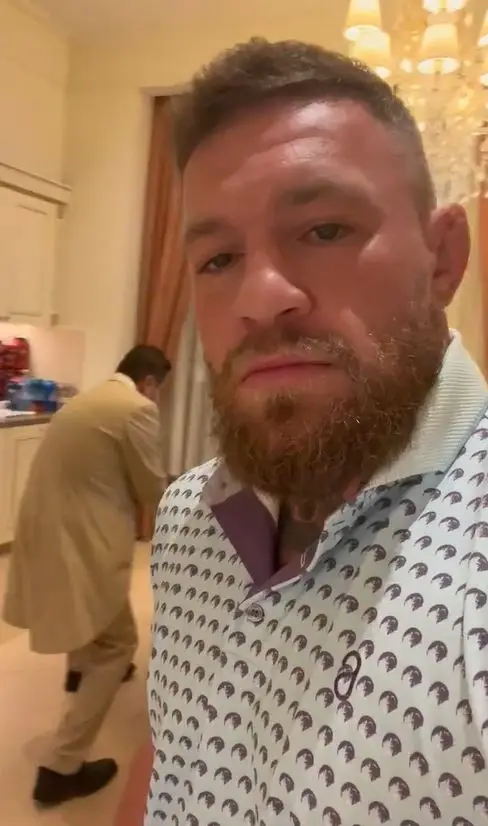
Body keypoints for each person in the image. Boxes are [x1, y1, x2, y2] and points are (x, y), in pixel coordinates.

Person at [129, 39, 488, 825]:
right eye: (218, 259)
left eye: (324, 230)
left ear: (442, 259)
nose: (259, 297)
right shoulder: (189, 518)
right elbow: (171, 754)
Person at [3, 344, 171, 807]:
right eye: (160, 390)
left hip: (45, 529)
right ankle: (62, 767)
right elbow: (151, 488)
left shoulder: (85, 401)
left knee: (85, 611)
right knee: (117, 644)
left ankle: (79, 672)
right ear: (150, 382)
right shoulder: (136, 408)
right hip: (82, 538)